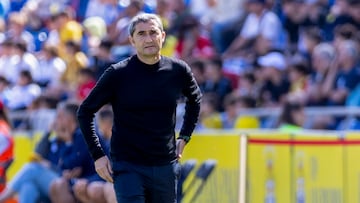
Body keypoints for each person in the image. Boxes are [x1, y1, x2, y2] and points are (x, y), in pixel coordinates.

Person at [77, 13, 202, 203]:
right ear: (132, 40)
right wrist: (98, 156)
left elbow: (195, 100)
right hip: (127, 164)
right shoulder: (117, 74)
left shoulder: (178, 70)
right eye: (141, 34)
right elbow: (85, 112)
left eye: (153, 32)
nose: (148, 38)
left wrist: (184, 136)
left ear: (163, 36)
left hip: (164, 164)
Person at [0, 101, 97, 203]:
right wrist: (48, 133)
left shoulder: (81, 136)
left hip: (76, 182)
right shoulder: (57, 138)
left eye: (59, 116)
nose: (55, 120)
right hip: (58, 179)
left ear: (69, 119)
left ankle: (1, 198)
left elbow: (72, 165)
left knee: (32, 168)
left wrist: (51, 164)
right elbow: (37, 154)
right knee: (28, 185)